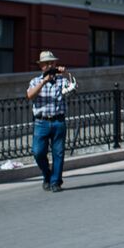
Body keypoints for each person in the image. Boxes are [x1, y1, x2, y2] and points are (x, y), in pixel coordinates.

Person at [26, 51, 75, 193]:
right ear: (41, 66)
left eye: (52, 63)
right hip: (41, 122)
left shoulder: (61, 80)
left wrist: (66, 74)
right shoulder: (35, 81)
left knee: (58, 153)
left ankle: (55, 182)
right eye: (46, 63)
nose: (49, 66)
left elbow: (73, 90)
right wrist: (43, 82)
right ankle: (47, 174)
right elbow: (29, 95)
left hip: (58, 121)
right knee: (38, 152)